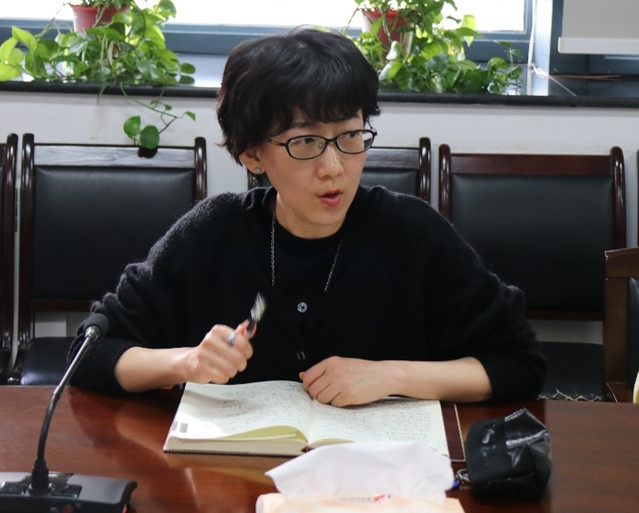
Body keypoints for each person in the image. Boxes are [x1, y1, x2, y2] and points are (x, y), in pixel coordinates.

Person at [68, 26, 545, 406]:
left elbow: (519, 362)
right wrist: (185, 363)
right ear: (253, 154)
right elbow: (90, 354)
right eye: (306, 142)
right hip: (235, 480)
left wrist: (393, 375)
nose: (333, 167)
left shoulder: (411, 233)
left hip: (378, 480)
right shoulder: (212, 234)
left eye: (350, 135)